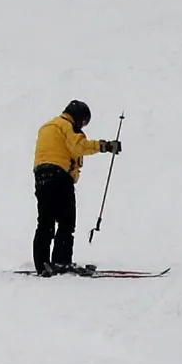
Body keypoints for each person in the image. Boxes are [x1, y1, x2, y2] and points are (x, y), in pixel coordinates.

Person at [31, 101, 121, 277]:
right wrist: (105, 146)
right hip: (59, 176)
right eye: (84, 122)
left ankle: (42, 264)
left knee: (45, 223)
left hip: (41, 176)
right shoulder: (66, 126)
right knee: (66, 222)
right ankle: (61, 261)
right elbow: (79, 146)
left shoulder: (47, 127)